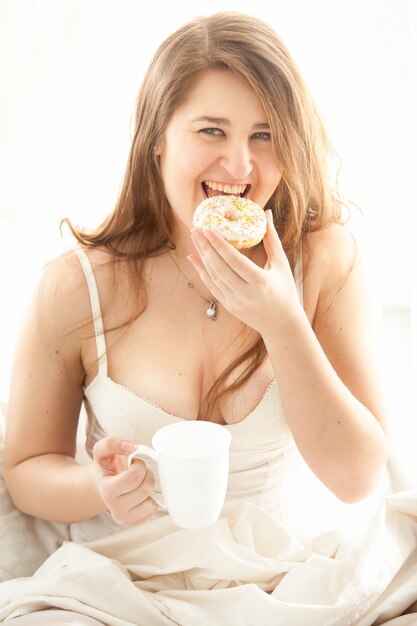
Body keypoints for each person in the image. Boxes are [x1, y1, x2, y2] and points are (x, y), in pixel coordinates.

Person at [1, 10, 417, 626]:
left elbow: (359, 479)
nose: (240, 168)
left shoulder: (326, 259)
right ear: (157, 139)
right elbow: (25, 469)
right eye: (212, 132)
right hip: (120, 587)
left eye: (265, 135)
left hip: (290, 582)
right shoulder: (76, 285)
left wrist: (283, 325)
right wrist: (98, 489)